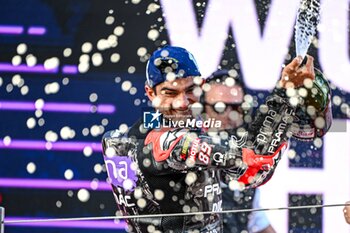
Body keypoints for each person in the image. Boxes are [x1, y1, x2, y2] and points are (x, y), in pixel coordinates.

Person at [102, 45, 315, 233]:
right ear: (150, 93)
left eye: (190, 90)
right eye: (170, 92)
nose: (182, 103)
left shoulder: (143, 131)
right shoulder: (162, 141)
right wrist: (287, 92)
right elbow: (254, 165)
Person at [203, 70, 276, 233]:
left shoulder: (246, 163)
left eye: (237, 107)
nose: (230, 116)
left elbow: (259, 225)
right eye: (220, 108)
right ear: (202, 111)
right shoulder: (181, 158)